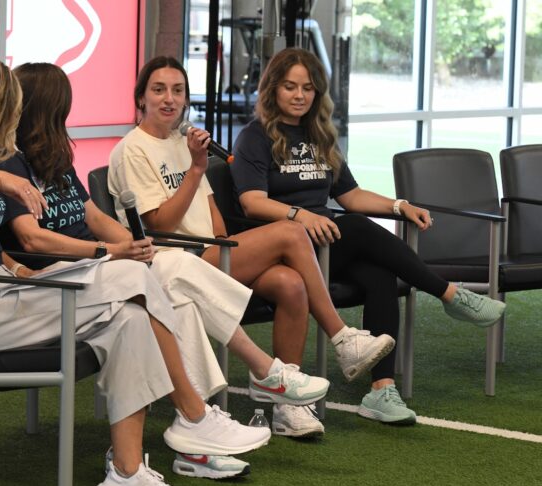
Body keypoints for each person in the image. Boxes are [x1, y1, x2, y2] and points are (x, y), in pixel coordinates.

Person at [0, 55, 272, 486]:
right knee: (134, 273)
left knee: (131, 319)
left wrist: (22, 271)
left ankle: (128, 476)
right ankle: (193, 414)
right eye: (5, 114)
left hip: (4, 293)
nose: (11, 127)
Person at [0, 62, 330, 477]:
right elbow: (31, 241)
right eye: (63, 105)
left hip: (100, 265)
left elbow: (93, 214)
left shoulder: (54, 159)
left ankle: (196, 434)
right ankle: (257, 375)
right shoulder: (6, 165)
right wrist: (109, 251)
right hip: (66, 279)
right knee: (171, 266)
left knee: (175, 289)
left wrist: (129, 244)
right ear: (47, 108)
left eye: (177, 90)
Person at [108, 55, 395, 436]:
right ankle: (343, 338)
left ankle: (287, 408)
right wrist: (196, 170)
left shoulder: (181, 141)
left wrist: (230, 244)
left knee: (291, 284)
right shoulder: (133, 149)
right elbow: (159, 224)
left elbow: (211, 212)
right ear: (140, 98)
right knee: (292, 231)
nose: (169, 99)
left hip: (211, 251)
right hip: (173, 260)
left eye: (178, 91)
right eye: (158, 90)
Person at [230, 47, 507, 424]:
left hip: (325, 244)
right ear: (272, 89)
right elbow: (252, 202)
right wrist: (300, 215)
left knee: (380, 274)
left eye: (308, 88)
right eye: (290, 87)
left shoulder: (320, 136)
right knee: (357, 226)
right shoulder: (255, 136)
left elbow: (350, 195)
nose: (299, 96)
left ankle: (381, 391)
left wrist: (399, 206)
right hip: (282, 249)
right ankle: (449, 293)